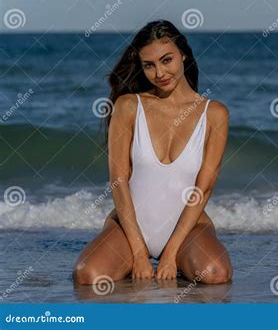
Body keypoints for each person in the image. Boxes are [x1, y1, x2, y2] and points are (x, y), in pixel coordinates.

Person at [73, 20, 232, 285]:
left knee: (216, 275)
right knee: (87, 275)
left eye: (166, 60)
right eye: (149, 65)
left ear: (183, 54)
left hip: (188, 229)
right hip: (130, 227)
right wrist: (138, 253)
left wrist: (169, 254)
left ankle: (181, 259)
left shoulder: (214, 114)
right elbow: (118, 181)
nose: (159, 72)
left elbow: (202, 190)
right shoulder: (128, 106)